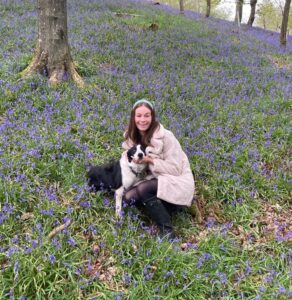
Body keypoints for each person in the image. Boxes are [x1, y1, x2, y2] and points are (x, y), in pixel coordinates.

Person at [122, 99, 195, 240]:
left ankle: (168, 233)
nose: (142, 120)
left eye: (147, 115)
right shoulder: (132, 138)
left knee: (143, 189)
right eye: (138, 116)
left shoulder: (166, 136)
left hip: (176, 181)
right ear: (133, 117)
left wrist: (150, 160)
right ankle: (161, 209)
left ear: (153, 117)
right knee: (128, 198)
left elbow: (175, 169)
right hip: (152, 181)